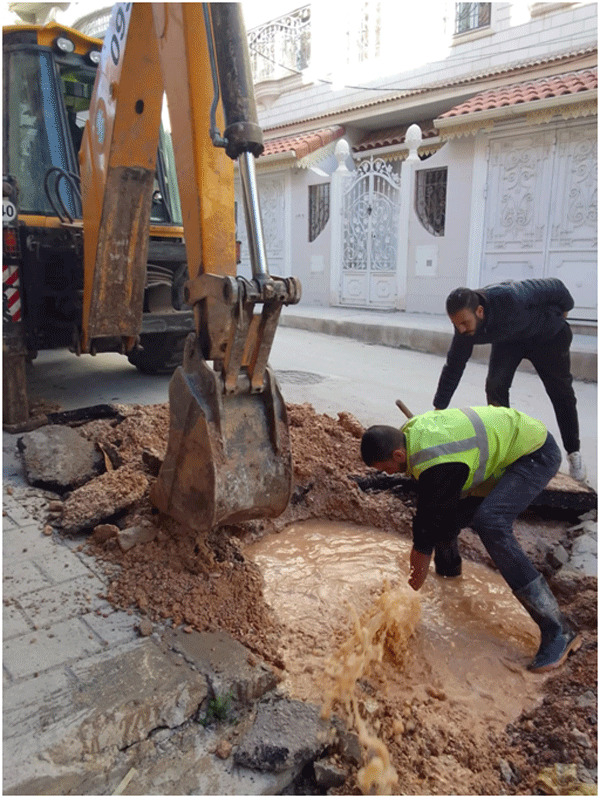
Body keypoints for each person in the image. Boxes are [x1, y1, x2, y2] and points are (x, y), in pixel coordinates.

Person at [360, 405, 582, 673]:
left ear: (398, 453)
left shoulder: (435, 460)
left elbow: (424, 531)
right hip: (499, 455)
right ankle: (449, 574)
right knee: (445, 517)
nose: (390, 475)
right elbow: (434, 512)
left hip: (534, 455)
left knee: (491, 523)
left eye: (388, 469)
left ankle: (558, 630)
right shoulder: (411, 435)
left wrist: (406, 595)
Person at [432, 278, 586, 482]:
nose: (460, 329)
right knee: (495, 387)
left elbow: (554, 286)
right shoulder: (465, 329)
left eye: (464, 323)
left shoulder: (510, 296)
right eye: (455, 324)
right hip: (510, 342)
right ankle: (507, 453)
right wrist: (439, 409)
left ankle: (573, 453)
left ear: (480, 311)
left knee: (561, 393)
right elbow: (454, 366)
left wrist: (566, 308)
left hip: (548, 338)